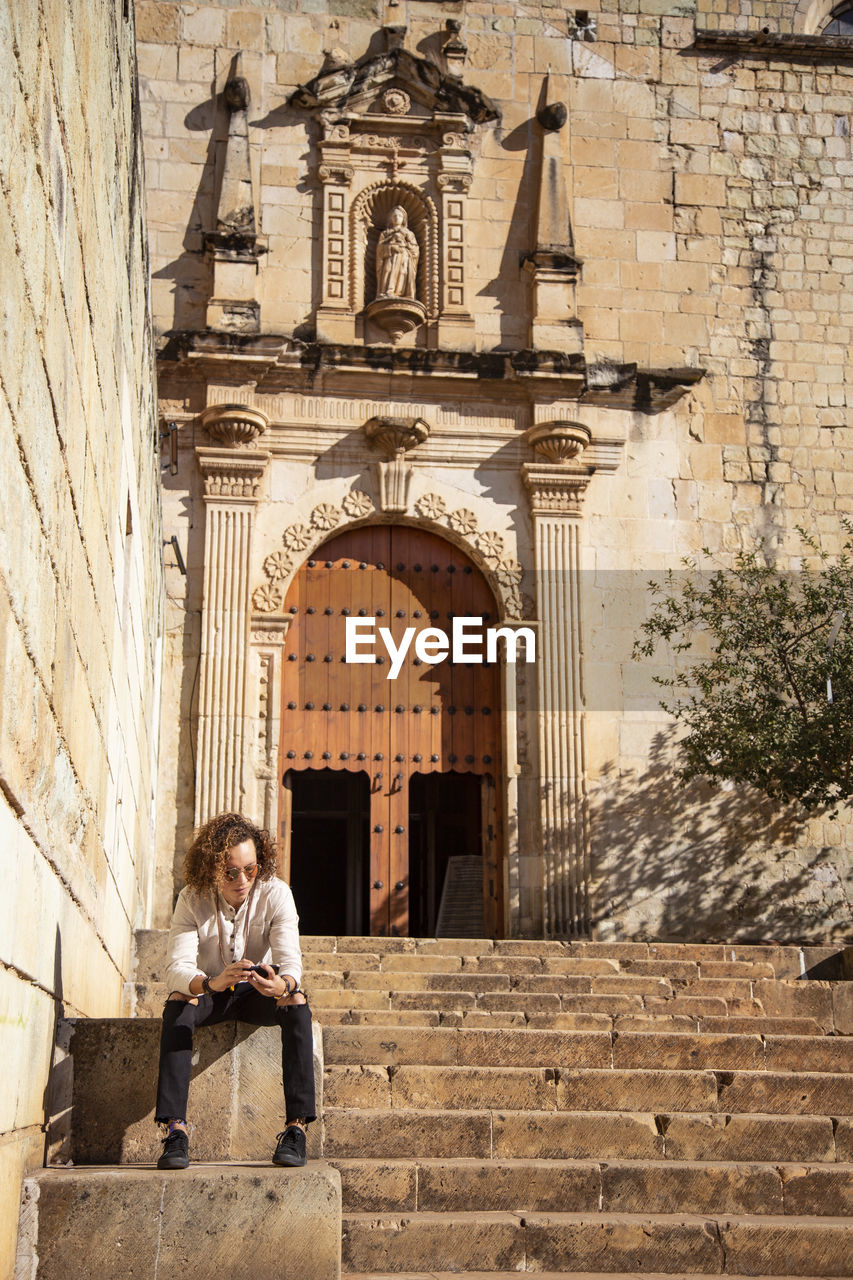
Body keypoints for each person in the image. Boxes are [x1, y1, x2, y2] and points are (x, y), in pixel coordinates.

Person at [154, 811, 315, 1170]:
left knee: (297, 1000)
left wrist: (281, 985)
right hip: (212, 993)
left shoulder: (277, 894)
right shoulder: (190, 898)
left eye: (251, 869)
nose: (242, 880)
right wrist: (212, 983)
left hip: (260, 993)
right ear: (211, 869)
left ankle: (296, 1129)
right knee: (179, 1001)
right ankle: (175, 1130)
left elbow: (292, 964)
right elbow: (176, 970)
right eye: (231, 872)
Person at [376, 205, 419, 299]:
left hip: (404, 258)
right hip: (390, 257)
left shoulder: (408, 233)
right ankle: (387, 291)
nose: (397, 218)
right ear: (390, 218)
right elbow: (380, 250)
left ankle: (400, 293)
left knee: (402, 273)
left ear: (403, 219)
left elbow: (415, 250)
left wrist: (405, 247)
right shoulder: (385, 233)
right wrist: (391, 248)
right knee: (388, 271)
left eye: (399, 216)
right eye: (394, 216)